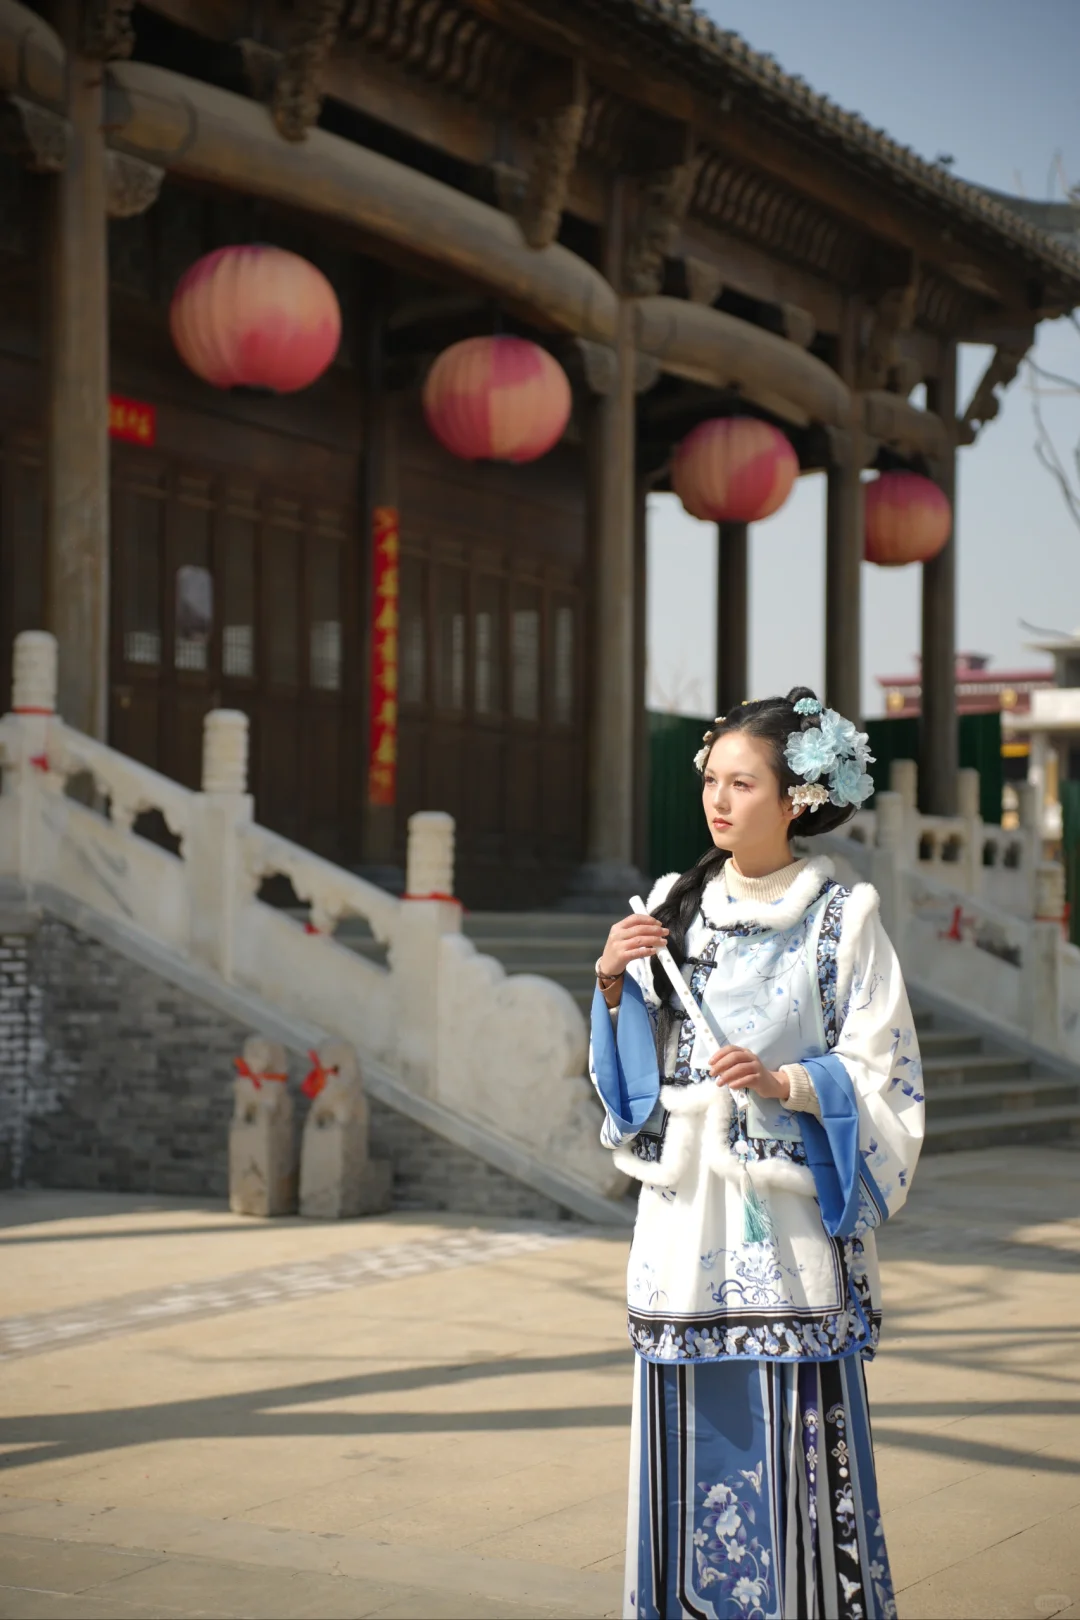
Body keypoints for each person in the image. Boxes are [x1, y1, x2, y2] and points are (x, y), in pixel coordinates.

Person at [590, 689, 924, 1620]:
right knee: (684, 1421)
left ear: (797, 798)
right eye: (710, 781)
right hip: (686, 1218)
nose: (719, 800)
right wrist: (613, 981)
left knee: (791, 1440)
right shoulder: (671, 907)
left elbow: (885, 1069)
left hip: (784, 1226)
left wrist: (788, 1084)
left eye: (743, 782)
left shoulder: (841, 921)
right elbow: (632, 1090)